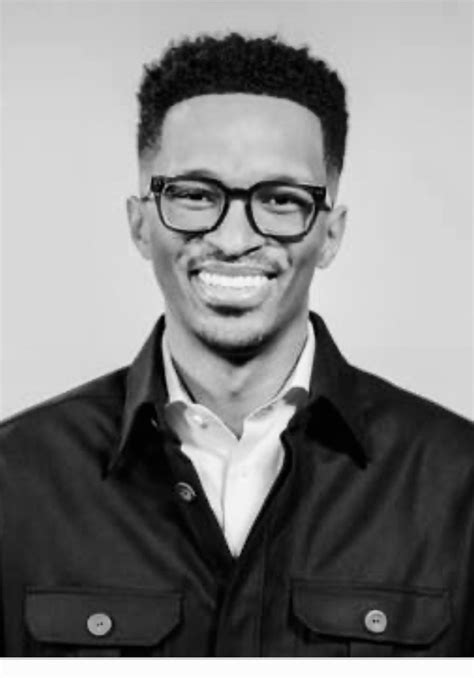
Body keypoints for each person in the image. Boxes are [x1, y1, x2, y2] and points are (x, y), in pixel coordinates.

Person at [0, 32, 473, 658]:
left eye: (280, 200)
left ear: (330, 235)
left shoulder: (458, 485)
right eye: (196, 195)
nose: (232, 238)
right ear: (140, 223)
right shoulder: (15, 481)